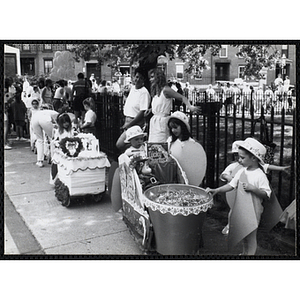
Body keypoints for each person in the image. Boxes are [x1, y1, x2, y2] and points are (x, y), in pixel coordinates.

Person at [206, 138, 271, 255]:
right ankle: (245, 253)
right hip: (241, 210)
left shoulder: (260, 176)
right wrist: (216, 190)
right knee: (243, 235)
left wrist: (254, 189)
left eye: (242, 158)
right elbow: (231, 185)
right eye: (239, 157)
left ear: (254, 158)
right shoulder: (242, 171)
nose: (239, 160)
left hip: (253, 211)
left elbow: (266, 195)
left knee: (250, 236)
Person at [219, 140, 290, 236]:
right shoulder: (234, 166)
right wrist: (228, 178)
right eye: (236, 155)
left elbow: (267, 166)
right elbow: (224, 176)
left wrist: (281, 168)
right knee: (233, 214)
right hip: (237, 197)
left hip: (252, 202)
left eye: (240, 156)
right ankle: (230, 226)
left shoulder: (257, 169)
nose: (238, 158)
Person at [147, 68, 199, 143]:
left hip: (162, 122)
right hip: (154, 122)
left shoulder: (166, 90)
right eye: (150, 77)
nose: (150, 80)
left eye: (152, 77)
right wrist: (151, 110)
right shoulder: (157, 91)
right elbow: (160, 105)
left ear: (158, 77)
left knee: (160, 144)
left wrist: (190, 106)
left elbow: (182, 97)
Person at [116, 67, 151, 150]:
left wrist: (130, 124)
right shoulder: (132, 88)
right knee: (127, 147)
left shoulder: (144, 92)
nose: (137, 80)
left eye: (141, 78)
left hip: (135, 122)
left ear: (144, 80)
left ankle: (141, 146)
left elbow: (142, 111)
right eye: (137, 77)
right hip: (127, 120)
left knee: (120, 144)